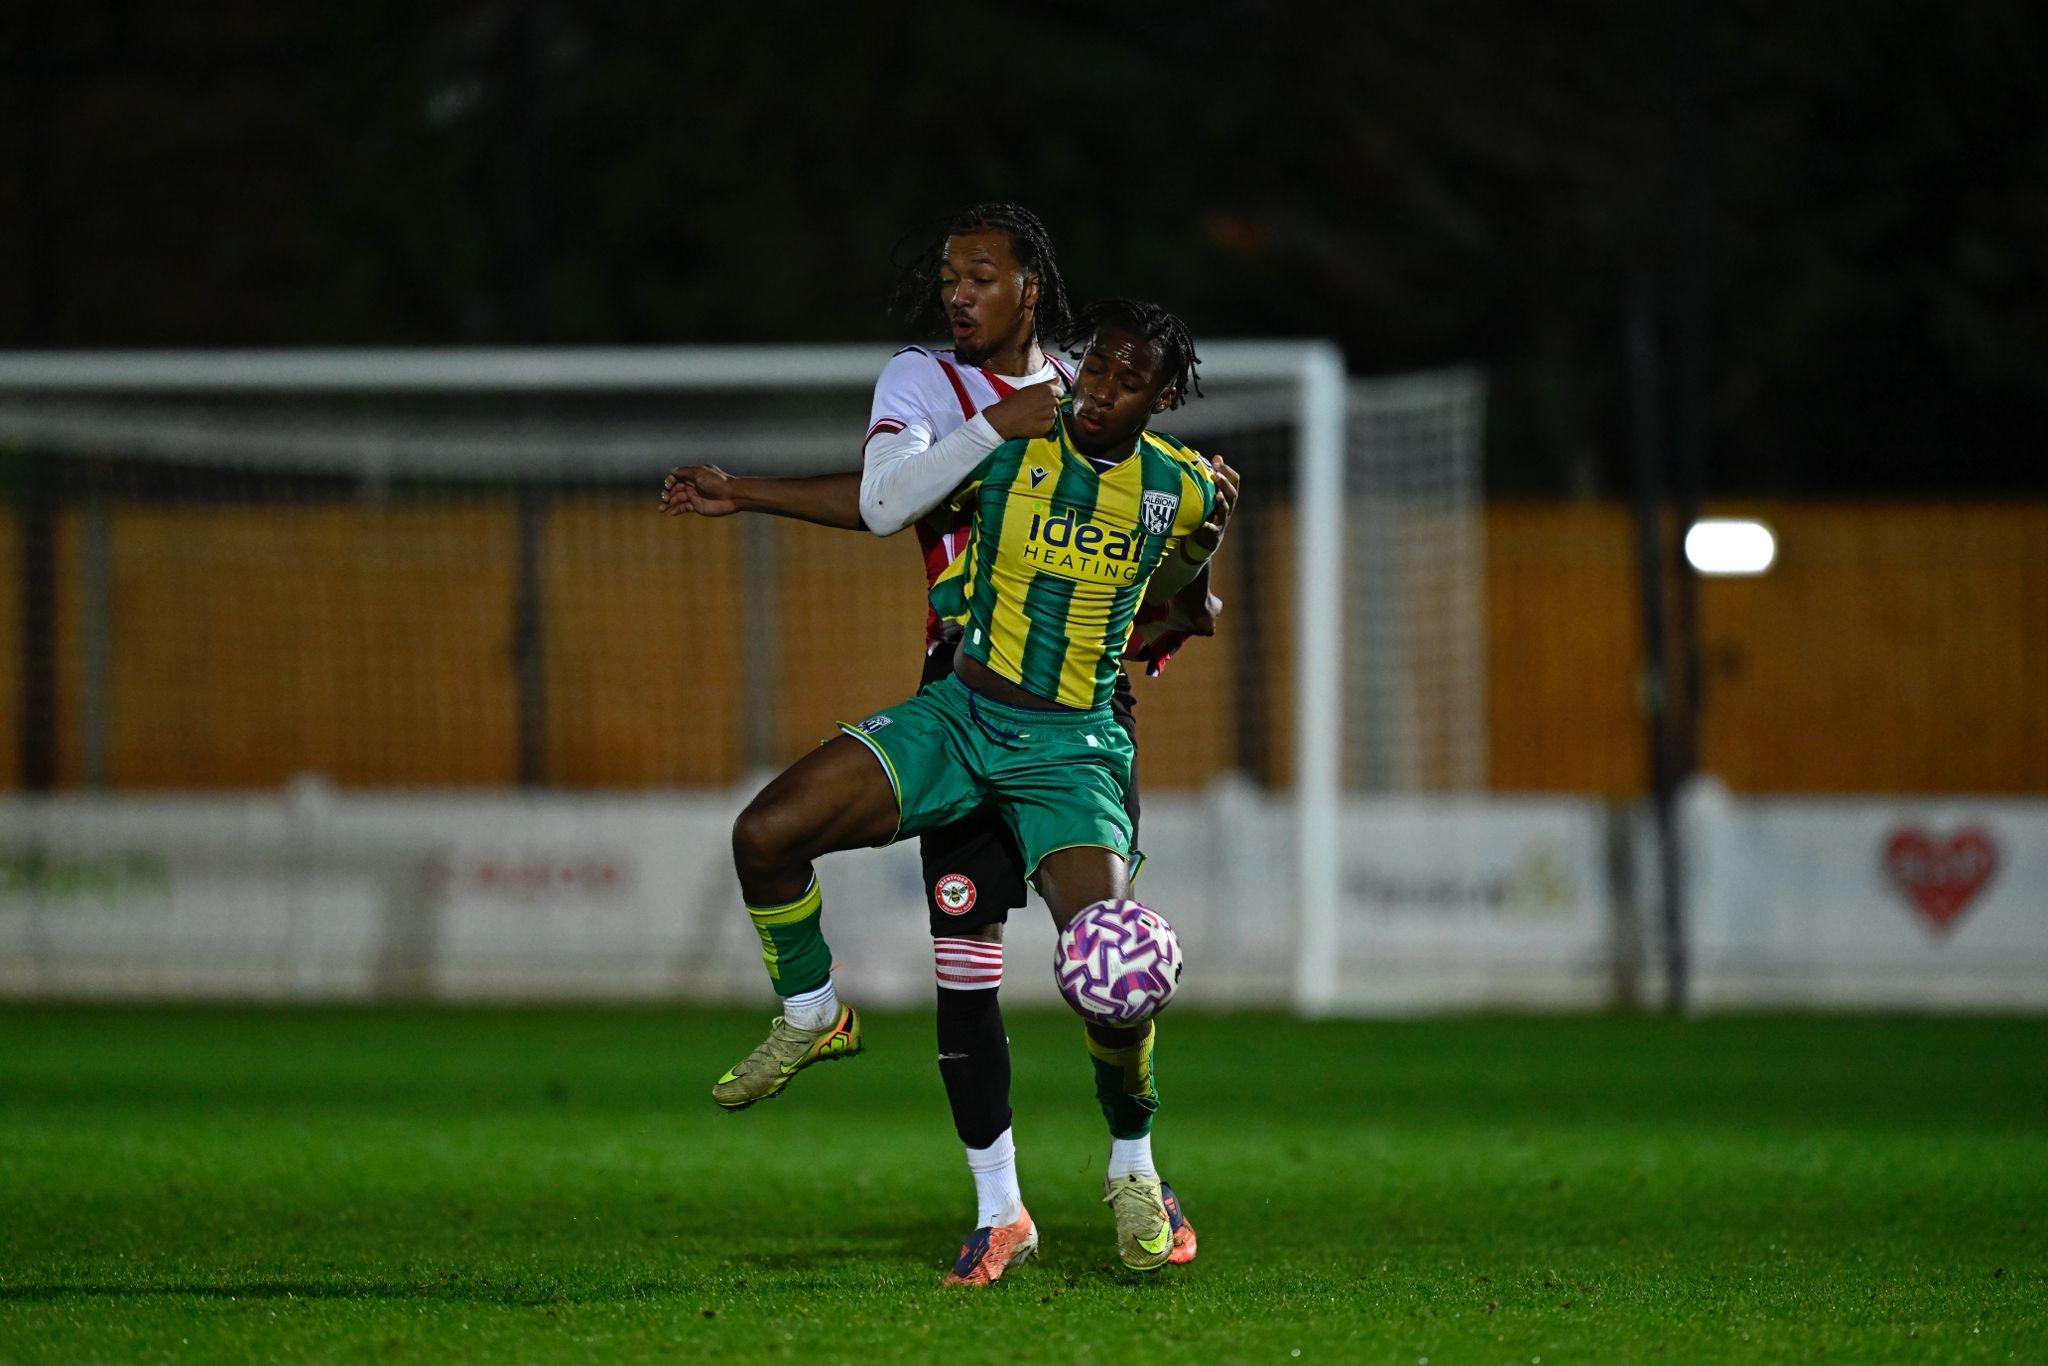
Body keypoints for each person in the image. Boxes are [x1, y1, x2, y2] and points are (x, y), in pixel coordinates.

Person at [661, 207, 1218, 1281]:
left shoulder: (1180, 488)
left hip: (1072, 746)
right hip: (956, 713)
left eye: (1123, 381)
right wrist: (748, 492)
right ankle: (993, 1203)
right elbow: (883, 501)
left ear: (1157, 400)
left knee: (1109, 971)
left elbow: (1186, 607)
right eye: (1095, 373)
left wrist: (1180, 600)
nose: (1099, 391)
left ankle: (1136, 1170)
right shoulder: (1005, 432)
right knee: (801, 858)